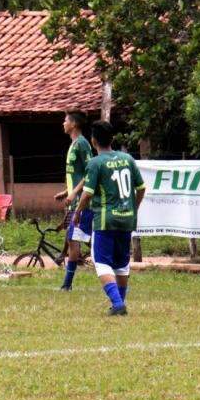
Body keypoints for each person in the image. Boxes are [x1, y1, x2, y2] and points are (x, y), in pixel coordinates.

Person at [72, 121, 146, 316]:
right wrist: (133, 208)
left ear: (93, 140)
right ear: (112, 139)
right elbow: (141, 188)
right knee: (121, 263)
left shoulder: (95, 163)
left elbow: (87, 194)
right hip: (127, 219)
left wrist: (77, 213)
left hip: (105, 220)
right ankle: (120, 303)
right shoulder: (128, 159)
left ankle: (117, 303)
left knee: (102, 262)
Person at [54, 109, 93, 291]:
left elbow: (90, 172)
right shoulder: (74, 144)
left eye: (65, 120)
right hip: (75, 199)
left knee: (75, 240)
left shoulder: (83, 144)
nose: (63, 123)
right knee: (73, 239)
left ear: (74, 124)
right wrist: (67, 191)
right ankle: (67, 284)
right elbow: (77, 175)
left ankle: (67, 285)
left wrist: (74, 193)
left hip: (82, 202)